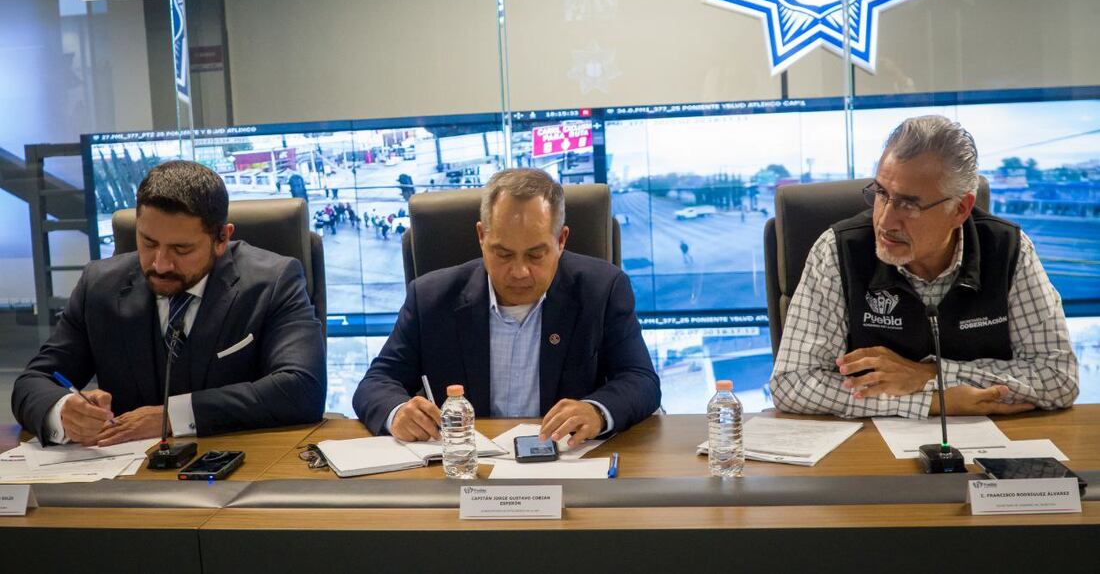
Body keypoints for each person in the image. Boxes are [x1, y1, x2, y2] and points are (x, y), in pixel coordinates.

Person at [770, 115, 1078, 419]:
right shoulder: (838, 250)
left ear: (960, 209)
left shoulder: (1008, 249)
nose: (885, 221)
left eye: (908, 204)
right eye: (881, 194)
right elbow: (792, 382)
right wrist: (932, 402)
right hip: (872, 453)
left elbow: (1058, 377)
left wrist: (929, 374)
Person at [11, 160, 326, 446]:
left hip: (239, 463)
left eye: (181, 249)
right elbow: (34, 382)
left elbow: (301, 388)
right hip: (127, 477)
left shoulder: (273, 281)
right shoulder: (100, 285)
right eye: (148, 243)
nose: (160, 264)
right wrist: (65, 410)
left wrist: (172, 417)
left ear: (222, 238)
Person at [354, 168, 661, 445]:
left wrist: (595, 411)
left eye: (535, 255)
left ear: (561, 240)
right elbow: (376, 383)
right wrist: (397, 413)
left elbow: (640, 380)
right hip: (467, 468)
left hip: (566, 465)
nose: (519, 272)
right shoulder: (432, 298)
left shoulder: (601, 289)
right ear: (481, 236)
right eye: (503, 254)